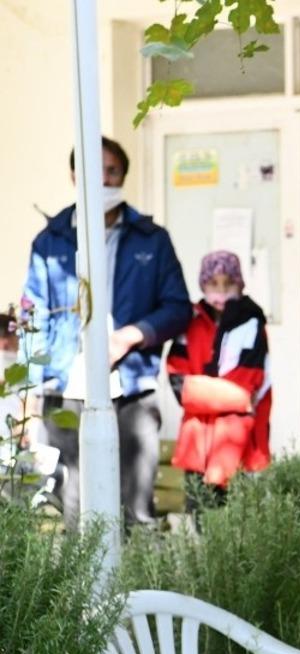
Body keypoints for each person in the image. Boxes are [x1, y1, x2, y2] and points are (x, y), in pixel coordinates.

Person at [22, 136, 191, 528]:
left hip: (131, 387)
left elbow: (178, 307)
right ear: (73, 176)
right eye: (91, 171)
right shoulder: (50, 242)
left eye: (111, 171)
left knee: (136, 511)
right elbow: (35, 317)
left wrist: (132, 335)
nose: (102, 180)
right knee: (74, 512)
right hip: (67, 388)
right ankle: (83, 590)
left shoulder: (153, 239)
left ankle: (136, 590)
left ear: (123, 177)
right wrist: (31, 395)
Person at [166, 251, 271, 496]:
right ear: (203, 284)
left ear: (239, 284)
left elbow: (248, 387)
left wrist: (203, 392)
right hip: (196, 447)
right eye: (214, 283)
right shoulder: (188, 322)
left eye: (228, 282)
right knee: (201, 521)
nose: (221, 290)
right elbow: (181, 388)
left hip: (241, 446)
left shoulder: (253, 323)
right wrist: (234, 398)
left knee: (241, 528)